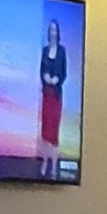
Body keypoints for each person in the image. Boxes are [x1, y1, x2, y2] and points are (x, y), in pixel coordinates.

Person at [38, 14, 69, 164]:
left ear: (58, 32)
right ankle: (44, 163)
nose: (53, 33)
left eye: (55, 30)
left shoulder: (62, 51)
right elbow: (41, 70)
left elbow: (64, 73)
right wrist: (45, 77)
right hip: (46, 95)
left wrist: (57, 80)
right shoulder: (45, 50)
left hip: (56, 96)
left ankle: (54, 165)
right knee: (45, 130)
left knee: (54, 130)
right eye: (51, 30)